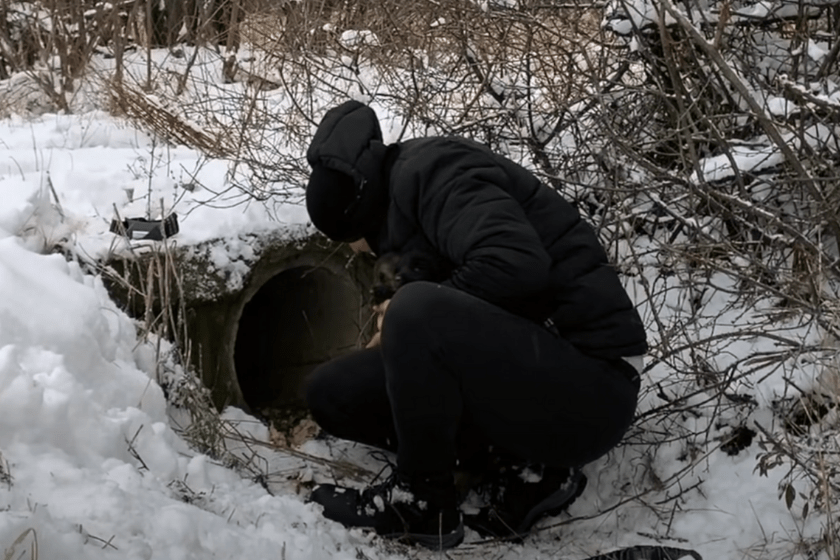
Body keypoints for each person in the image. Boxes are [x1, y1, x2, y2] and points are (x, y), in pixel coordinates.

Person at [302, 99, 647, 549]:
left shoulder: (435, 171)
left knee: (415, 310)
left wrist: (407, 314)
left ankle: (422, 503)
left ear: (361, 215)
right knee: (332, 392)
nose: (357, 253)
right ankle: (526, 471)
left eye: (352, 242)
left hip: (592, 387)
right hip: (532, 375)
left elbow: (516, 265)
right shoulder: (401, 202)